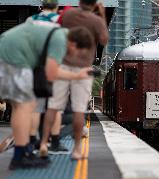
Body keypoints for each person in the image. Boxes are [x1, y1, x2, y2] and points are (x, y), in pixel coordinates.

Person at [0, 19, 93, 169]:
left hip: (7, 52)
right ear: (75, 44)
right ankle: (20, 157)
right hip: (13, 57)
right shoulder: (60, 40)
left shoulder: (59, 34)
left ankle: (23, 153)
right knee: (25, 105)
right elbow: (52, 73)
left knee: (22, 106)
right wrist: (78, 75)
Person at [40, 0, 108, 160]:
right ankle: (77, 149)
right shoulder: (96, 21)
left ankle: (44, 143)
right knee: (79, 110)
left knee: (53, 107)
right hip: (83, 69)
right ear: (94, 5)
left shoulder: (69, 13)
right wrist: (102, 15)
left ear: (79, 2)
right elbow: (104, 39)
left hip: (63, 65)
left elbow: (57, 27)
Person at [27, 0, 69, 154]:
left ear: (41, 6)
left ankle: (32, 142)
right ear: (57, 7)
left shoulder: (31, 21)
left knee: (35, 107)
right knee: (55, 107)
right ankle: (55, 142)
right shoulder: (60, 21)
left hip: (35, 67)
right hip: (55, 67)